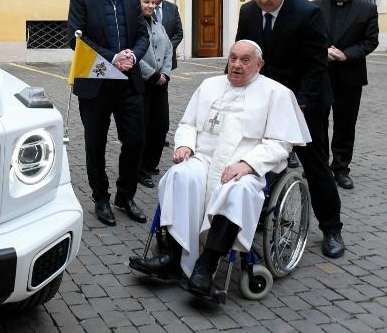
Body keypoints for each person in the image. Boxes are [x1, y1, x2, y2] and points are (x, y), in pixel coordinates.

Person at [129, 40, 310, 295]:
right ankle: (171, 254)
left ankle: (206, 265)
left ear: (260, 64)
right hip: (203, 157)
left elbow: (281, 143)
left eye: (245, 60)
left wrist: (248, 164)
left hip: (243, 164)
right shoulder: (209, 86)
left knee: (238, 192)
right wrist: (185, 145)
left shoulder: (276, 93)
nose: (236, 65)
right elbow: (188, 124)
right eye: (233, 58)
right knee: (180, 175)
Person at [235, 0, 344, 258]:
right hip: (263, 100)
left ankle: (332, 228)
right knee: (259, 159)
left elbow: (315, 66)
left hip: (305, 102)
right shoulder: (248, 12)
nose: (263, 0)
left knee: (315, 164)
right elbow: (242, 54)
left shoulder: (308, 14)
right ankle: (259, 215)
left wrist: (299, 105)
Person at [67, 0, 150, 226]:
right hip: (96, 84)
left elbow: (142, 35)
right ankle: (100, 198)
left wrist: (133, 56)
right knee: (95, 145)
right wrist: (111, 57)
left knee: (136, 140)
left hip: (128, 83)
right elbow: (75, 39)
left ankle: (125, 196)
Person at [314, 0, 379, 189]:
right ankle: (319, 167)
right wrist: (323, 51)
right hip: (320, 75)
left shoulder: (367, 9)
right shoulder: (315, 7)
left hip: (350, 76)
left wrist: (346, 54)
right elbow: (308, 36)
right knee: (318, 123)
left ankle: (341, 169)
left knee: (345, 124)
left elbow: (371, 41)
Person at [135, 0, 172, 189]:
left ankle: (152, 163)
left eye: (153, 3)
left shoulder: (159, 25)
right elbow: (133, 55)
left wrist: (165, 73)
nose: (150, 6)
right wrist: (153, 75)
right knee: (144, 128)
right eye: (146, 2)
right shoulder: (134, 26)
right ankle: (142, 170)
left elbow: (168, 49)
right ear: (138, 3)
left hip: (161, 84)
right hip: (143, 84)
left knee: (161, 126)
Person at [148, 0, 183, 70]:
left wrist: (166, 48)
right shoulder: (142, 7)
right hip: (149, 57)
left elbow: (179, 33)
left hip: (167, 59)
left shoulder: (172, 8)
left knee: (164, 83)